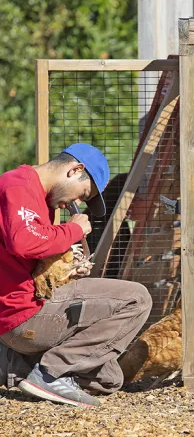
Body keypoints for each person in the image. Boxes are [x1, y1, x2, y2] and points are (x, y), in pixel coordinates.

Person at [0, 143, 152, 408]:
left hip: (20, 318)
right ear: (75, 170)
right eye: (83, 194)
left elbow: (31, 263)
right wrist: (73, 230)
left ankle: (16, 365)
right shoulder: (18, 185)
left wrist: (68, 269)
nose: (77, 204)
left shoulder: (41, 198)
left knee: (109, 379)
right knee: (137, 299)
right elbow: (23, 242)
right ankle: (50, 373)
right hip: (21, 316)